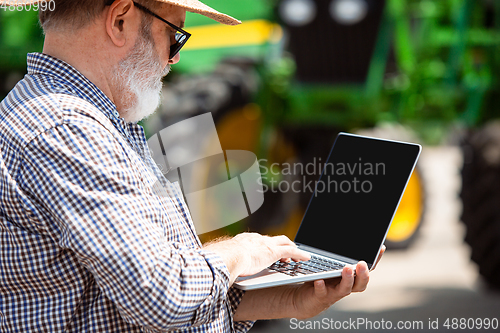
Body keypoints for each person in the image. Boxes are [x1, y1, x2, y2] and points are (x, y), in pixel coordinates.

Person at [0, 0, 384, 332]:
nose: (176, 56)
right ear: (120, 20)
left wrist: (289, 301)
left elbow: (118, 299)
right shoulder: (67, 131)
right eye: (175, 35)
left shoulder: (83, 120)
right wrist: (241, 250)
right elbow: (160, 294)